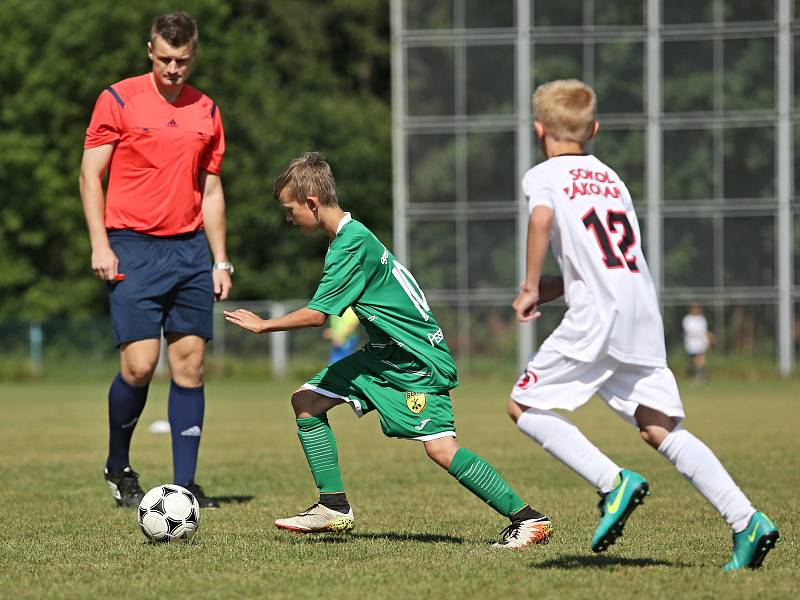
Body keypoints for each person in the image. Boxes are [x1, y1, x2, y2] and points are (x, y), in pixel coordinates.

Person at [508, 79, 779, 570]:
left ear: (538, 128)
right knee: (659, 427)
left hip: (598, 317)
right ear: (594, 129)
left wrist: (529, 285)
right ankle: (747, 521)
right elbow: (600, 263)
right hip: (638, 310)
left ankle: (613, 483)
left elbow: (542, 222)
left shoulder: (544, 174)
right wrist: (551, 287)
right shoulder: (612, 179)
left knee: (524, 404)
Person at [224, 152, 552, 548]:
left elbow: (317, 315)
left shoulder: (350, 244)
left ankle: (529, 519)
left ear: (311, 202)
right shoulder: (350, 236)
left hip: (415, 360)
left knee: (442, 449)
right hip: (384, 354)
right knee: (307, 401)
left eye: (290, 209)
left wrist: (263, 324)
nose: (288, 218)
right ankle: (333, 506)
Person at [79, 11, 232, 509]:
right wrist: (101, 244)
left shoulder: (207, 110)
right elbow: (89, 175)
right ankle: (118, 466)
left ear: (194, 55)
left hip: (188, 250)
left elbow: (211, 189)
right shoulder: (118, 98)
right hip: (132, 246)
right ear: (150, 52)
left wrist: (220, 260)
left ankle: (185, 486)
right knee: (140, 365)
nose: (173, 69)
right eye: (164, 59)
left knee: (190, 366)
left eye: (182, 60)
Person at [682, 303, 713, 382]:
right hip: (692, 343)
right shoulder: (687, 319)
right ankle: (695, 375)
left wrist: (708, 338)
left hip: (701, 343)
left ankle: (700, 376)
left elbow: (704, 330)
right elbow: (690, 331)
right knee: (694, 360)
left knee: (700, 359)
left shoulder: (701, 319)